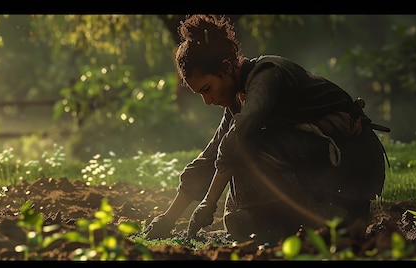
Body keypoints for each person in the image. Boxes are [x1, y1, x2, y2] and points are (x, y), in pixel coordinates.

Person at [140, 14, 389, 244]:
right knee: (239, 223)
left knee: (248, 141)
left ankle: (327, 218)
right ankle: (287, 220)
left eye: (207, 89)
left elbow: (239, 138)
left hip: (352, 167)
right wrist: (167, 219)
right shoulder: (238, 101)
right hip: (316, 161)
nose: (207, 101)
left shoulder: (268, 74)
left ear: (227, 67)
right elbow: (210, 157)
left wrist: (208, 202)